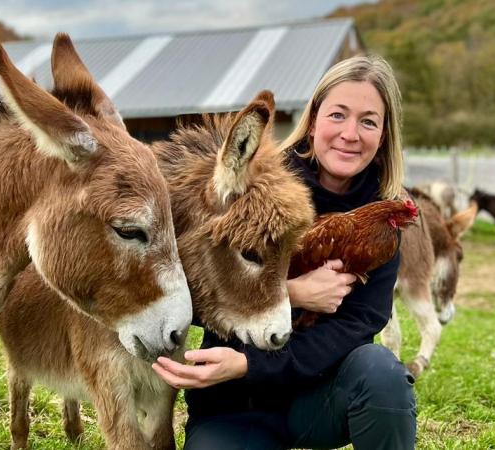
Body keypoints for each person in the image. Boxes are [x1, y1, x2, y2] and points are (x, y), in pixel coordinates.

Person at [152, 54, 416, 450]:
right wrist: (293, 293)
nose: (350, 133)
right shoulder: (256, 184)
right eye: (338, 115)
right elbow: (202, 281)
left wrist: (252, 363)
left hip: (317, 398)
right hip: (235, 401)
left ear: (383, 135)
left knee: (381, 374)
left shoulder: (384, 217)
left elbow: (358, 325)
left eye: (368, 121)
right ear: (312, 120)